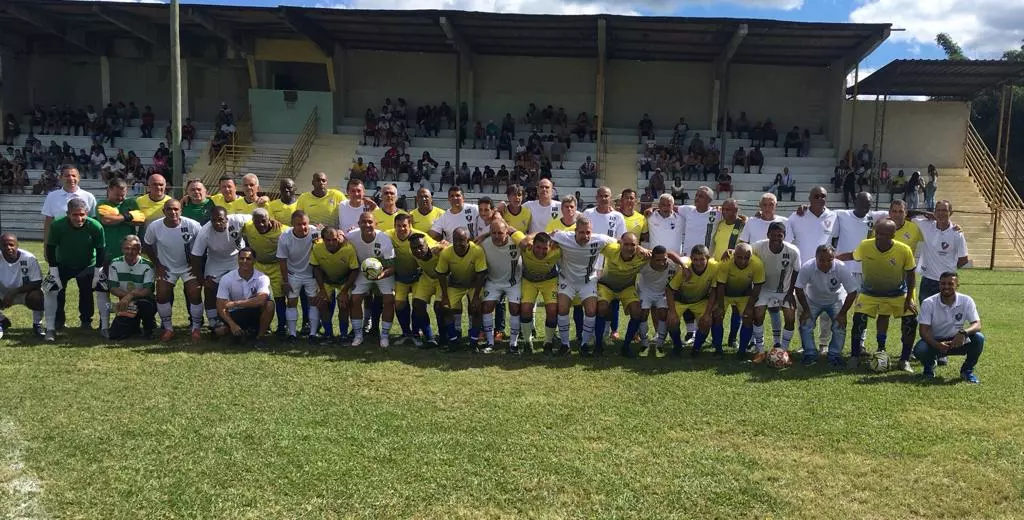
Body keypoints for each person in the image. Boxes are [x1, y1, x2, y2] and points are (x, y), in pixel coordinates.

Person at [848, 218, 917, 368]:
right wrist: (835, 257)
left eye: (884, 234)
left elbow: (911, 274)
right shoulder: (865, 245)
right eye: (877, 233)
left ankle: (904, 359)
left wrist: (909, 298)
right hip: (869, 292)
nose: (879, 237)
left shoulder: (904, 249)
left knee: (911, 320)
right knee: (858, 319)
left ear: (893, 235)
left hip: (898, 292)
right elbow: (854, 256)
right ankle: (854, 356)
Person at [42, 198, 105, 341]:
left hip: (87, 263)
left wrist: (97, 272)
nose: (79, 218)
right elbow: (50, 247)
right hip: (62, 262)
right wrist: (53, 271)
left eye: (82, 214)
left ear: (87, 213)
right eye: (75, 215)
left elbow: (101, 249)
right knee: (56, 290)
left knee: (86, 291)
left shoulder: (95, 226)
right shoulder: (58, 225)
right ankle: (57, 321)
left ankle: (86, 321)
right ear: (68, 214)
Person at [142, 200, 204, 342]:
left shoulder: (192, 225)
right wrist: (157, 265)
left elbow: (203, 242)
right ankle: (168, 329)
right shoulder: (155, 226)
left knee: (194, 292)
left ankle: (196, 328)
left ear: (181, 210)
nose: (173, 212)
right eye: (169, 209)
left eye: (176, 209)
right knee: (162, 294)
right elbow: (147, 244)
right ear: (164, 211)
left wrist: (196, 265)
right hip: (167, 267)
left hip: (189, 267)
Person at [95, 178, 146, 337]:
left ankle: (130, 322)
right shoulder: (102, 203)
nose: (120, 198)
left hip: (129, 255)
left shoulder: (131, 202)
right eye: (117, 195)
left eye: (123, 195)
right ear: (108, 190)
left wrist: (121, 217)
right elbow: (106, 220)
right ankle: (104, 323)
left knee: (129, 289)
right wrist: (128, 216)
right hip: (108, 254)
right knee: (104, 289)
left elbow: (141, 219)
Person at [795, 245, 859, 366]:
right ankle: (810, 354)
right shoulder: (808, 266)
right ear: (816, 258)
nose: (825, 263)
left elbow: (852, 292)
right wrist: (806, 310)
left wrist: (842, 314)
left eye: (829, 260)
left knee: (839, 326)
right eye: (821, 260)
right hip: (813, 300)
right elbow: (798, 288)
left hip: (835, 300)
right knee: (806, 324)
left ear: (834, 258)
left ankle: (834, 355)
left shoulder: (841, 267)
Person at [914, 272, 983, 383]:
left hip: (957, 340)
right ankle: (929, 366)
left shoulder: (966, 300)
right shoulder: (928, 303)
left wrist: (963, 333)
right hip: (935, 342)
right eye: (943, 283)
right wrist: (937, 345)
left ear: (957, 285)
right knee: (920, 349)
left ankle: (967, 371)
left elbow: (977, 324)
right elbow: (923, 331)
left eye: (950, 284)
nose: (946, 287)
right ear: (939, 285)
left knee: (979, 338)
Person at [190, 206, 251, 332]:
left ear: (227, 218)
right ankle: (213, 322)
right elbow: (195, 257)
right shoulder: (205, 232)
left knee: (242, 287)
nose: (217, 223)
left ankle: (245, 319)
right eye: (214, 221)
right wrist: (202, 280)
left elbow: (255, 218)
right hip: (216, 261)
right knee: (210, 289)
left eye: (220, 220)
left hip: (236, 258)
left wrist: (271, 221)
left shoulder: (238, 219)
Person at [748, 222, 801, 362]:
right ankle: (759, 350)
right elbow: (745, 251)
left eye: (780, 235)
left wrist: (791, 292)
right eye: (773, 235)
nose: (776, 238)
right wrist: (732, 251)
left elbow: (796, 271)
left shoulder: (793, 251)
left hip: (784, 291)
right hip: (764, 289)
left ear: (784, 236)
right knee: (758, 315)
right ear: (768, 235)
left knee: (790, 318)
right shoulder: (758, 246)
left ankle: (783, 351)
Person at [344, 212, 397, 348]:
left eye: (370, 222)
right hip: (363, 271)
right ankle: (358, 335)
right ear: (359, 223)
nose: (367, 225)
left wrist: (381, 275)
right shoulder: (351, 235)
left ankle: (384, 335)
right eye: (363, 222)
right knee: (354, 299)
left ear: (376, 224)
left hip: (383, 271)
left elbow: (392, 267)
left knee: (389, 299)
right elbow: (339, 239)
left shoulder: (383, 238)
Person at [476, 219, 527, 353]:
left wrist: (515, 231)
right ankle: (490, 342)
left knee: (515, 308)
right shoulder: (484, 244)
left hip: (513, 282)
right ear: (489, 233)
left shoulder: (515, 242)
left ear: (507, 232)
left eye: (500, 233)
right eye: (493, 233)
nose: (497, 236)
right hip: (493, 281)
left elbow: (529, 240)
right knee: (486, 307)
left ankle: (513, 344)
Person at [435, 227, 488, 351]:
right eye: (455, 240)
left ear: (468, 240)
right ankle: (453, 340)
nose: (458, 243)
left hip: (473, 285)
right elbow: (441, 274)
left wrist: (475, 297)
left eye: (462, 240)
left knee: (476, 307)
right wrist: (445, 296)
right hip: (456, 285)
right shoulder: (446, 252)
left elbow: (481, 274)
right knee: (445, 307)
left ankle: (474, 341)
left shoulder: (477, 251)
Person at [665, 244, 722, 356]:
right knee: (671, 321)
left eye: (702, 259)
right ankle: (677, 346)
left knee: (707, 321)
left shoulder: (715, 267)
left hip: (700, 300)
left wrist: (707, 313)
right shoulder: (684, 268)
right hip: (680, 300)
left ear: (708, 258)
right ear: (691, 259)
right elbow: (669, 290)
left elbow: (714, 291)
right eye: (695, 259)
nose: (699, 263)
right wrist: (672, 312)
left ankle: (696, 349)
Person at [214, 248, 275, 347]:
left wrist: (234, 303)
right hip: (235, 314)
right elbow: (220, 305)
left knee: (269, 305)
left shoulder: (262, 278)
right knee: (219, 331)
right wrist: (232, 325)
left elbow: (261, 300)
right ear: (237, 259)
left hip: (254, 312)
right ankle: (242, 332)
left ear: (255, 261)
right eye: (241, 258)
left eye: (248, 259)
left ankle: (260, 337)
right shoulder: (227, 278)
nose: (244, 261)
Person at [713, 242, 765, 359]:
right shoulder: (725, 263)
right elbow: (720, 286)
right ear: (734, 254)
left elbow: (757, 287)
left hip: (744, 296)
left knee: (748, 317)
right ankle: (718, 349)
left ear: (751, 257)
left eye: (746, 258)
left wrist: (749, 307)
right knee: (717, 315)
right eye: (739, 257)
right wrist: (720, 306)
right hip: (725, 295)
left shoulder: (757, 264)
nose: (742, 261)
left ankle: (742, 351)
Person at [242, 208, 288, 337]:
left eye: (264, 221)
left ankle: (282, 326)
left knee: (279, 298)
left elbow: (297, 231)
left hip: (276, 266)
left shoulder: (281, 230)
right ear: (252, 221)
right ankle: (261, 325)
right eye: (257, 222)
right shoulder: (248, 227)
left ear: (269, 219)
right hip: (259, 266)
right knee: (256, 297)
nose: (261, 225)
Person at [276, 210, 321, 343]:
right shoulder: (285, 237)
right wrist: (285, 281)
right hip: (293, 274)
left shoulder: (315, 232)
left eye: (305, 223)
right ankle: (292, 334)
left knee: (313, 302)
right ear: (292, 225)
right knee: (291, 303)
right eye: (299, 224)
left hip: (311, 274)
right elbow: (282, 260)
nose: (303, 227)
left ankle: (312, 334)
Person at [310, 226, 360, 344]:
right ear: (323, 239)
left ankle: (343, 335)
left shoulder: (348, 249)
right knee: (322, 303)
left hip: (344, 281)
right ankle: (328, 334)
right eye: (328, 240)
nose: (331, 242)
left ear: (339, 238)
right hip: (327, 280)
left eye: (334, 239)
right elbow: (316, 268)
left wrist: (344, 291)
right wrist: (321, 289)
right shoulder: (317, 248)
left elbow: (354, 270)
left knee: (344, 303)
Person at [106, 235, 157, 341]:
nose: (130, 252)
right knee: (115, 335)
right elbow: (112, 287)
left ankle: (149, 327)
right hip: (125, 302)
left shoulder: (148, 265)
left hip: (143, 300)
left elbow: (147, 290)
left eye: (134, 248)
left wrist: (130, 296)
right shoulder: (115, 263)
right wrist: (127, 298)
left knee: (145, 305)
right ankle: (133, 326)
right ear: (122, 249)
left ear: (140, 249)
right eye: (127, 248)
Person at [0, 233, 45, 338]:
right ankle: (2, 321)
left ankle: (37, 324)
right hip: (3, 292)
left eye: (11, 245)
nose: (8, 248)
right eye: (4, 245)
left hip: (24, 292)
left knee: (38, 296)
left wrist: (13, 292)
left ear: (17, 245)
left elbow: (37, 282)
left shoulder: (29, 258)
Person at [41, 166, 97, 245]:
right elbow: (48, 222)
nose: (71, 178)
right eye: (67, 176)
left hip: (84, 242)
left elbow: (94, 221)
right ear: (60, 177)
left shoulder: (88, 196)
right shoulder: (52, 196)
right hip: (60, 242)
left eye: (74, 175)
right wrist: (46, 245)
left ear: (79, 178)